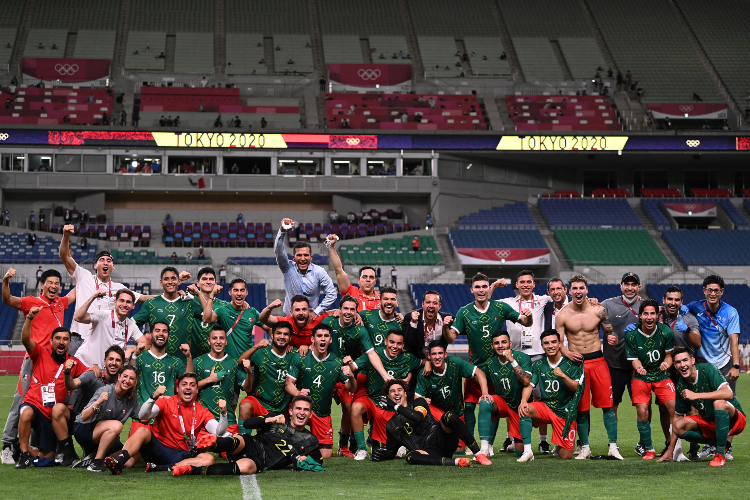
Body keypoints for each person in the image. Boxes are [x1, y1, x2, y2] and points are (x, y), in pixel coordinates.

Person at [444, 273, 532, 454]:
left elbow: (525, 322)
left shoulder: (500, 308)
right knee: (468, 406)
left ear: (488, 289)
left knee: (492, 406)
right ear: (472, 290)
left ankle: (489, 445)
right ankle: (470, 444)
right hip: (475, 369)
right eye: (477, 287)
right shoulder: (465, 312)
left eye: (484, 286)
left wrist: (528, 316)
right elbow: (451, 337)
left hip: (497, 369)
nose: (481, 289)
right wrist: (445, 327)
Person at [1, 268, 76, 465]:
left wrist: (90, 277)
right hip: (34, 359)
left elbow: (78, 291)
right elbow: (8, 300)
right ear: (42, 285)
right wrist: (6, 281)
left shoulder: (61, 302)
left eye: (57, 283)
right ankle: (6, 446)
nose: (54, 286)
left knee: (45, 405)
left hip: (51, 362)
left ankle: (35, 447)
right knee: (21, 402)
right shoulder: (31, 302)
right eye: (50, 282)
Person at [554, 274, 622, 460]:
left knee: (608, 406)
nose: (578, 291)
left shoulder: (598, 311)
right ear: (570, 290)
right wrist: (567, 353)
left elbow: (610, 332)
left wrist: (613, 338)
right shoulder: (562, 315)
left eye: (581, 288)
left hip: (599, 362)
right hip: (577, 365)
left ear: (586, 290)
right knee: (582, 408)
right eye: (574, 288)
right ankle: (584, 448)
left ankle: (613, 447)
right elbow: (559, 343)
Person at [103, 373, 227, 474]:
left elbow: (218, 432)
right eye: (184, 384)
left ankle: (162, 468)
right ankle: (118, 463)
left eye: (192, 385)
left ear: (196, 389)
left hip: (181, 454)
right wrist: (154, 397)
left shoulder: (202, 410)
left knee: (209, 458)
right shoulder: (166, 401)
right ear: (178, 388)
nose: (188, 387)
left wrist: (223, 414)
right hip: (157, 448)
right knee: (143, 430)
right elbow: (143, 416)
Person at [175, 394, 322, 476]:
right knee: (239, 441)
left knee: (245, 467)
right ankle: (213, 444)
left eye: (306, 410)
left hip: (262, 461)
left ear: (310, 414)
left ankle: (192, 469)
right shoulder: (277, 418)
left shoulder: (311, 440)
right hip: (252, 443)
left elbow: (318, 462)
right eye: (298, 409)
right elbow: (247, 424)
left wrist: (304, 460)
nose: (301, 412)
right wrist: (270, 419)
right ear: (291, 411)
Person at [15, 309, 88, 469]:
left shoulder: (73, 362)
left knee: (46, 461)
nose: (61, 342)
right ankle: (24, 455)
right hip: (34, 405)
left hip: (52, 415)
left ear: (69, 343)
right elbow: (25, 339)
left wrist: (95, 368)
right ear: (51, 341)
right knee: (25, 412)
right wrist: (30, 319)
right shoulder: (40, 352)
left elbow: (89, 374)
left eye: (65, 339)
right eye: (58, 338)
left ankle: (24, 447)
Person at [60, 225, 145, 355]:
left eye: (109, 260)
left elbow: (143, 298)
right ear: (95, 265)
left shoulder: (120, 289)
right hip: (78, 339)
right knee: (70, 373)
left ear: (113, 266)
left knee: (99, 374)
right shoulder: (84, 276)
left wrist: (168, 297)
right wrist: (66, 236)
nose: (105, 263)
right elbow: (64, 257)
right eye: (102, 260)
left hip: (102, 341)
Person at [685, 275, 741, 459]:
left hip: (725, 365)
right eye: (709, 289)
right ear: (704, 290)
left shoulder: (731, 312)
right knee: (703, 407)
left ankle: (727, 446)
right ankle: (710, 445)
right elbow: (675, 308)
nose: (713, 293)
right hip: (703, 366)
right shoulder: (695, 307)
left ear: (722, 292)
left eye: (717, 290)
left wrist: (735, 364)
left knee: (727, 404)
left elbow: (734, 340)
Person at [346, 329, 421, 460]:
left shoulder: (408, 358)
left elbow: (424, 363)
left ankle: (401, 443)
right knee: (356, 407)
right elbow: (354, 366)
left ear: (403, 345)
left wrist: (414, 372)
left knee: (391, 450)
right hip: (374, 399)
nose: (395, 346)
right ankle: (362, 449)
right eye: (391, 342)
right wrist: (349, 365)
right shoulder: (374, 355)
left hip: (393, 406)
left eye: (399, 344)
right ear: (385, 341)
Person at [375, 380, 488, 467]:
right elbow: (391, 451)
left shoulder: (419, 402)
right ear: (388, 397)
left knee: (449, 416)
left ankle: (479, 454)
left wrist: (395, 406)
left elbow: (418, 417)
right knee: (410, 456)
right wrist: (380, 454)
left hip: (441, 439)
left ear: (405, 393)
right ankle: (457, 462)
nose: (396, 393)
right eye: (392, 391)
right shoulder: (391, 425)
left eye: (399, 390)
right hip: (429, 453)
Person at [667, 346, 747, 468]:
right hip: (711, 421)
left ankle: (720, 454)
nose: (682, 365)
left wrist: (696, 395)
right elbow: (677, 416)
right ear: (674, 365)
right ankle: (720, 443)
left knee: (719, 403)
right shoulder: (680, 386)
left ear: (692, 360)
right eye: (678, 362)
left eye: (685, 360)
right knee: (678, 426)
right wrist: (670, 449)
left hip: (735, 420)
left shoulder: (708, 369)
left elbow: (728, 394)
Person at [286, 323, 356, 458]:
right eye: (319, 336)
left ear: (330, 340)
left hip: (322, 414)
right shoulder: (300, 357)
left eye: (326, 336)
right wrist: (298, 393)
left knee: (326, 455)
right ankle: (304, 439)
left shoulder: (337, 362)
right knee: (289, 448)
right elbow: (288, 384)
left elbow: (351, 388)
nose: (322, 339)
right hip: (301, 409)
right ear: (313, 339)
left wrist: (351, 376)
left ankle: (308, 441)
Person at [415, 340, 491, 463]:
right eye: (434, 354)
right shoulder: (424, 373)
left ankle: (477, 452)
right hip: (436, 414)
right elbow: (416, 399)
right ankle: (478, 454)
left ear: (445, 354)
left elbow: (479, 373)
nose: (437, 357)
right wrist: (423, 401)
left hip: (457, 414)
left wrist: (485, 393)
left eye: (440, 353)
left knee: (459, 449)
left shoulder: (455, 363)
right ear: (429, 356)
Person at [517, 329, 584, 462]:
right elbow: (530, 385)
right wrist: (523, 401)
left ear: (560, 344)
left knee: (566, 456)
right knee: (525, 409)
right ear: (542, 346)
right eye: (546, 343)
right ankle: (528, 451)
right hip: (546, 407)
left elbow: (577, 388)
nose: (550, 346)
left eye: (554, 342)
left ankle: (559, 443)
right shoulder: (539, 364)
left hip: (565, 411)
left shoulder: (572, 363)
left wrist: (563, 376)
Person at [624, 299, 676, 460]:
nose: (649, 317)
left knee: (674, 408)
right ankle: (649, 449)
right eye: (645, 313)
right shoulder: (631, 334)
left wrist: (666, 365)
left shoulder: (666, 332)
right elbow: (634, 359)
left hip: (661, 375)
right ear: (640, 316)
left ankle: (673, 447)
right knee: (642, 410)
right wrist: (638, 367)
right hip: (642, 375)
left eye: (652, 313)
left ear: (657, 315)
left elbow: (669, 356)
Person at [61, 345, 125, 469]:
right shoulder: (93, 375)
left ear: (122, 364)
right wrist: (67, 373)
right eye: (111, 359)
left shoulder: (122, 384)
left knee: (129, 461)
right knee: (58, 409)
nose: (114, 363)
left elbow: (132, 372)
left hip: (105, 427)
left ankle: (91, 456)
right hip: (84, 422)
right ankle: (68, 453)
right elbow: (72, 385)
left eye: (118, 360)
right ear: (104, 361)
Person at [72, 364, 140, 471]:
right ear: (119, 377)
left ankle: (91, 460)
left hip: (108, 437)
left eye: (132, 378)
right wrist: (98, 402)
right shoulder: (106, 390)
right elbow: (84, 417)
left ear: (135, 382)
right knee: (117, 425)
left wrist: (154, 399)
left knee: (128, 461)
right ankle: (97, 462)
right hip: (84, 429)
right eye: (125, 376)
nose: (127, 380)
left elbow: (143, 418)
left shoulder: (132, 399)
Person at [477, 331, 533, 458]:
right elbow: (479, 374)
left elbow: (526, 381)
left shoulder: (522, 357)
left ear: (510, 343)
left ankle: (518, 442)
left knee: (520, 451)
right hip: (503, 404)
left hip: (519, 408)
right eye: (496, 343)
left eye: (504, 342)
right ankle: (485, 448)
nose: (500, 345)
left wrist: (512, 360)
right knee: (485, 401)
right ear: (492, 346)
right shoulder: (491, 363)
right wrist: (485, 392)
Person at [131, 322, 192, 435]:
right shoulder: (140, 358)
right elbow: (130, 378)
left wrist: (188, 356)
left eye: (164, 331)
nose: (161, 333)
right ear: (150, 335)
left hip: (166, 418)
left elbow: (190, 382)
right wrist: (134, 355)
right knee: (134, 452)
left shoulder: (175, 362)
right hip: (142, 417)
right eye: (157, 330)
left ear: (168, 337)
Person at [195, 325, 255, 435]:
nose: (218, 342)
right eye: (214, 338)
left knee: (237, 448)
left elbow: (247, 388)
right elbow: (188, 389)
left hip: (229, 420)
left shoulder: (233, 363)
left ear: (226, 341)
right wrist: (209, 379)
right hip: (204, 420)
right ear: (209, 341)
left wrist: (249, 373)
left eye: (221, 338)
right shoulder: (198, 362)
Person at [237, 322, 295, 428]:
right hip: (260, 403)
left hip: (282, 407)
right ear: (272, 335)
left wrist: (305, 346)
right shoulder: (260, 353)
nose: (282, 337)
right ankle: (244, 440)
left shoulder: (295, 356)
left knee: (274, 442)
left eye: (286, 334)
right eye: (279, 333)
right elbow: (240, 361)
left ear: (290, 338)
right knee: (245, 406)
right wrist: (256, 347)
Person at [276, 218, 336, 317]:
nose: (303, 258)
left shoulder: (319, 271)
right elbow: (279, 251)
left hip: (310, 320)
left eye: (306, 255)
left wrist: (317, 312)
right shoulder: (287, 267)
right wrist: (282, 232)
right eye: (299, 255)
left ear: (311, 257)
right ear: (293, 257)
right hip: (289, 319)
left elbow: (332, 294)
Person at [133, 267, 194, 362]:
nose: (170, 282)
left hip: (183, 363)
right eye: (166, 279)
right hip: (156, 362)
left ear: (179, 281)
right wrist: (142, 343)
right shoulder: (151, 304)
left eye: (173, 278)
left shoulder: (190, 303)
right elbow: (131, 325)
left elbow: (208, 317)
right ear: (161, 283)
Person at [72, 289, 142, 370]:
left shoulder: (131, 325)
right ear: (115, 302)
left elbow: (146, 344)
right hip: (84, 365)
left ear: (133, 306)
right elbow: (78, 318)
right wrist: (93, 297)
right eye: (121, 301)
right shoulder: (103, 315)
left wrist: (131, 350)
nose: (124, 304)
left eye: (128, 302)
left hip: (105, 372)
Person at [201, 278, 263, 361]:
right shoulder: (222, 311)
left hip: (248, 362)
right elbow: (206, 318)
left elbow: (268, 327)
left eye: (242, 290)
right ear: (230, 292)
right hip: (228, 363)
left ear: (246, 292)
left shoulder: (252, 312)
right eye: (236, 290)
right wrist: (212, 295)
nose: (239, 293)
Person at [327, 235, 379, 311]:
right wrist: (331, 247)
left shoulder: (383, 299)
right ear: (358, 280)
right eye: (364, 277)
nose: (368, 280)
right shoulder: (352, 293)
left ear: (375, 282)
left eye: (371, 277)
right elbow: (339, 271)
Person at [402, 290, 450, 361]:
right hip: (417, 362)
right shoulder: (409, 318)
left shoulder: (447, 320)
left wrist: (446, 327)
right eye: (428, 302)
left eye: (435, 303)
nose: (431, 306)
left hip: (438, 361)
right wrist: (414, 323)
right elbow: (408, 344)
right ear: (422, 304)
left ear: (439, 306)